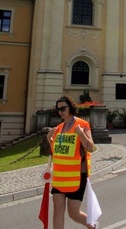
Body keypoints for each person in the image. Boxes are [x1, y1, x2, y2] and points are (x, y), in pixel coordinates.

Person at [46, 96, 96, 229]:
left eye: (63, 108)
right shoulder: (59, 128)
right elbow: (57, 152)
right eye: (58, 109)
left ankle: (92, 226)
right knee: (57, 210)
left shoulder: (82, 125)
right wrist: (49, 138)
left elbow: (91, 147)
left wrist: (80, 133)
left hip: (77, 176)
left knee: (73, 213)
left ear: (71, 107)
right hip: (59, 176)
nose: (61, 112)